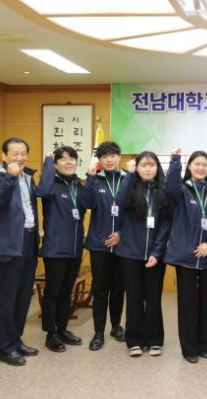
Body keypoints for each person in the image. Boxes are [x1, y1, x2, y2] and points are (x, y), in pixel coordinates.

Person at [0, 137, 51, 366]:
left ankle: (16, 339)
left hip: (28, 241)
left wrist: (48, 165)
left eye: (24, 153)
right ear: (4, 156)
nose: (20, 158)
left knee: (24, 296)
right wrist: (10, 177)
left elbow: (41, 196)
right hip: (9, 246)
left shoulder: (28, 177)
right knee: (9, 298)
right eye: (15, 153)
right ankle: (6, 347)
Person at [164, 148, 207, 363]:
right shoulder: (181, 190)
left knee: (206, 303)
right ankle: (189, 349)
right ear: (190, 167)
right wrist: (175, 161)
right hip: (186, 257)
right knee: (187, 305)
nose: (201, 168)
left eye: (205, 164)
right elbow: (169, 188)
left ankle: (204, 345)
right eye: (197, 164)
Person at [115, 151, 172, 357]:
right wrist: (129, 176)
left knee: (154, 298)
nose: (148, 169)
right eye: (143, 165)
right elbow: (119, 202)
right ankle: (134, 340)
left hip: (156, 255)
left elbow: (166, 223)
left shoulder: (163, 190)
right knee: (134, 298)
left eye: (152, 165)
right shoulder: (130, 186)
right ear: (137, 168)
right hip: (130, 253)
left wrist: (157, 251)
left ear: (157, 168)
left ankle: (155, 340)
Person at [37, 147, 86, 352]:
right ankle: (51, 333)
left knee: (66, 291)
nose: (68, 162)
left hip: (74, 248)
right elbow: (42, 192)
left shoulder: (78, 185)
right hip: (55, 248)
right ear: (56, 164)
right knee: (53, 291)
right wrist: (47, 164)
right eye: (63, 159)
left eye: (72, 158)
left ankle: (62, 328)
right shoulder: (51, 183)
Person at [82, 141, 126, 351]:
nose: (109, 160)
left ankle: (116, 327)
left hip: (123, 246)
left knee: (118, 289)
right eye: (105, 156)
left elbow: (135, 212)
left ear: (119, 157)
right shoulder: (95, 180)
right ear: (99, 160)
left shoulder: (129, 179)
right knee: (100, 290)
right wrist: (90, 178)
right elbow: (86, 203)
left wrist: (121, 234)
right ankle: (98, 332)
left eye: (112, 155)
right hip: (99, 245)